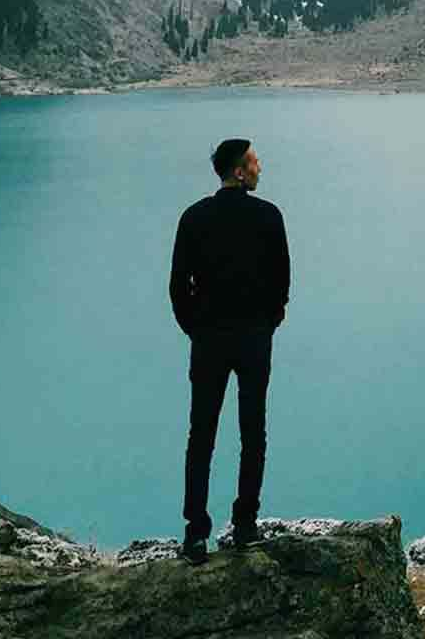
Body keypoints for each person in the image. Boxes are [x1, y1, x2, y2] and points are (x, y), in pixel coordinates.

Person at [169, 137, 290, 565]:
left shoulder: (194, 217)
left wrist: (195, 330)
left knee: (201, 435)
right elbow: (282, 280)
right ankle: (244, 527)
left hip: (209, 341)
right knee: (252, 434)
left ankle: (196, 533)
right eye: (255, 162)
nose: (260, 168)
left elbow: (178, 285)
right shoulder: (269, 216)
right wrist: (268, 322)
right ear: (239, 170)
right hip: (254, 340)